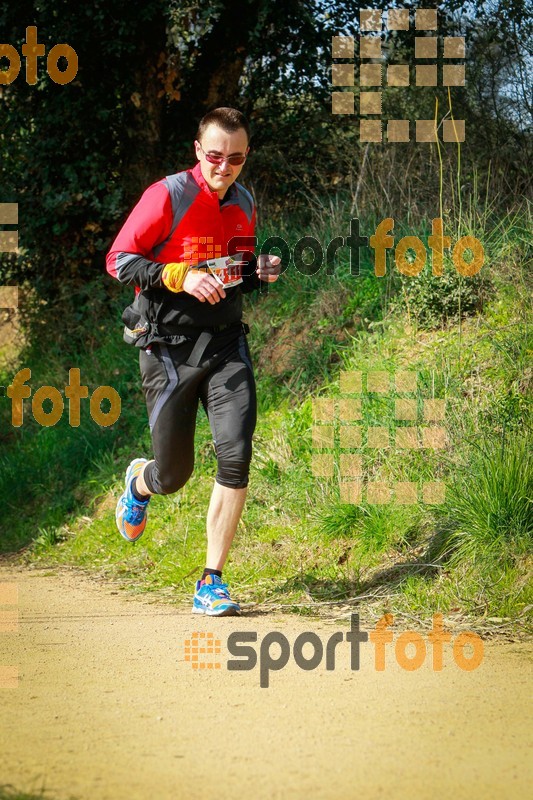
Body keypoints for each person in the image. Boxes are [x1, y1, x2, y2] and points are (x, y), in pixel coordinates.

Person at [106, 107, 281, 616]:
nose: (224, 166)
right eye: (215, 156)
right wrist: (180, 276)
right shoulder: (168, 196)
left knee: (235, 451)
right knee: (174, 473)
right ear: (197, 151)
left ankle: (211, 580)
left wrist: (257, 270)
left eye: (236, 159)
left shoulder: (244, 200)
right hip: (168, 350)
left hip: (226, 344)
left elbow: (232, 269)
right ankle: (142, 481)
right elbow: (119, 260)